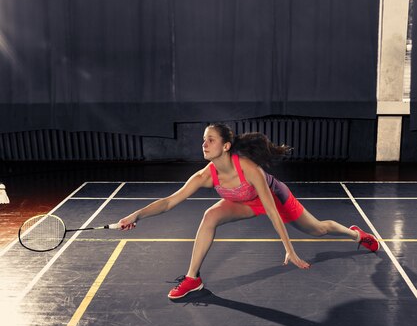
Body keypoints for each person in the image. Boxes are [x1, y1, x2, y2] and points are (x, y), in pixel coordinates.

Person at [118, 123, 379, 300]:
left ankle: (355, 234)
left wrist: (288, 248)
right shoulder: (204, 176)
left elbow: (272, 211)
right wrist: (136, 215)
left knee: (319, 229)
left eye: (211, 140)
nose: (204, 144)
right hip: (243, 202)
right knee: (210, 216)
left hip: (274, 198)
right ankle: (192, 278)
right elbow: (169, 202)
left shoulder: (250, 170)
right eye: (203, 140)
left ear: (226, 145)